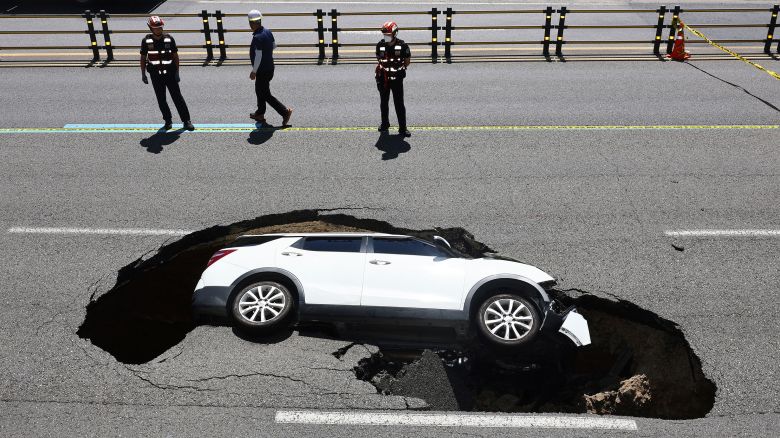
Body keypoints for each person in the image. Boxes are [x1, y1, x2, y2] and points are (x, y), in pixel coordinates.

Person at [140, 16, 194, 131]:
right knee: (161, 99)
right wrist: (143, 74)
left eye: (160, 27)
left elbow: (175, 56)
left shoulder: (169, 39)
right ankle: (168, 121)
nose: (159, 30)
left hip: (170, 73)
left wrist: (177, 73)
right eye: (156, 28)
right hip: (155, 75)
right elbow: (143, 58)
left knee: (177, 97)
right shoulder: (146, 41)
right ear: (150, 28)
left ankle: (186, 121)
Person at [248, 9, 293, 127]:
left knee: (265, 94)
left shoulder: (257, 37)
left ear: (251, 24)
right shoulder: (268, 32)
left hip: (262, 70)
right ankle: (260, 113)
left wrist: (254, 71)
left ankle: (284, 112)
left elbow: (258, 56)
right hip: (270, 68)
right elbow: (274, 46)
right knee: (259, 90)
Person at [375, 21, 411, 137]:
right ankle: (385, 124)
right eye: (385, 35)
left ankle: (402, 128)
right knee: (383, 103)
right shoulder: (380, 45)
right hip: (383, 80)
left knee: (399, 103)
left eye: (389, 35)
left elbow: (407, 61)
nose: (386, 37)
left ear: (394, 34)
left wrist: (398, 69)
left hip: (397, 80)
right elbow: (379, 59)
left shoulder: (403, 45)